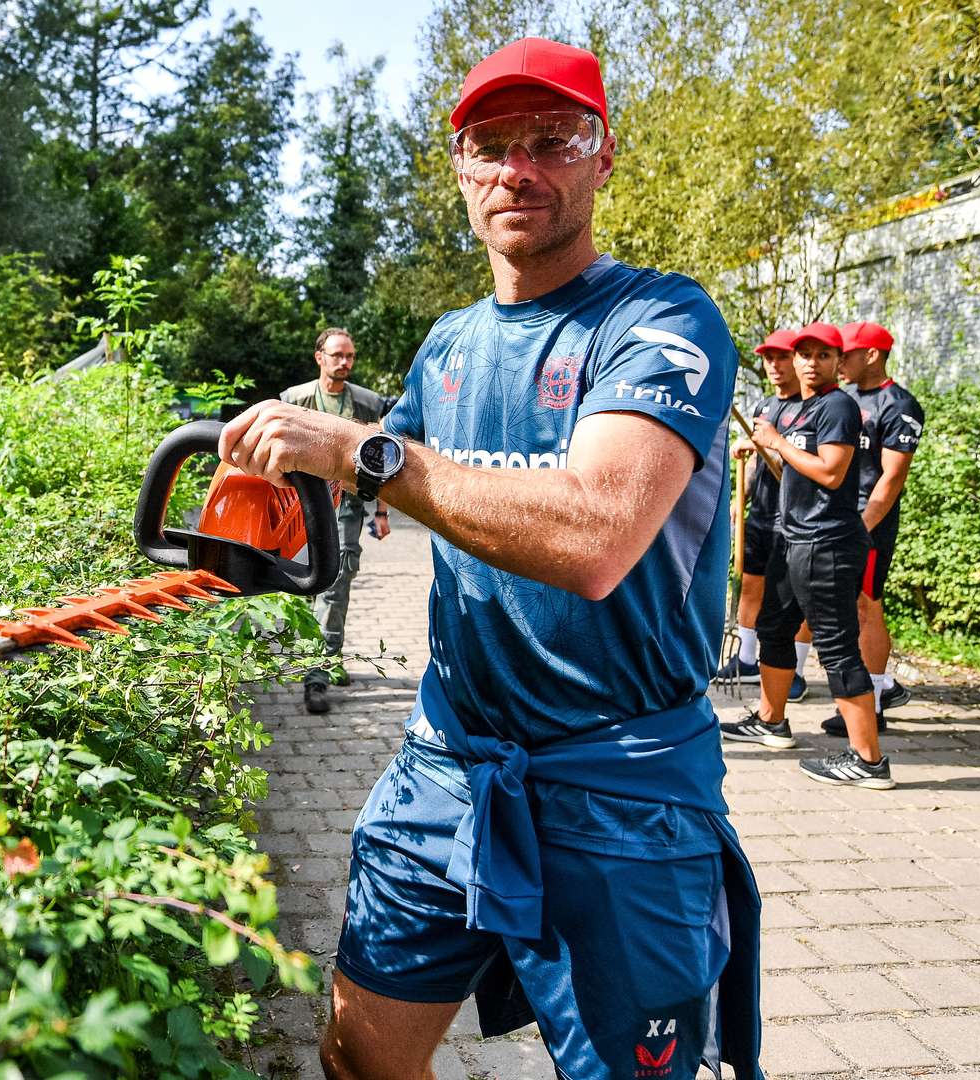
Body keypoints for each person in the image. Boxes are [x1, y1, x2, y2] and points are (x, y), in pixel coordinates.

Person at [215, 37, 760, 1080]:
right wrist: (266, 502)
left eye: (554, 139)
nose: (520, 167)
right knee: (355, 1053)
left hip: (622, 784)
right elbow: (392, 479)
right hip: (448, 760)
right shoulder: (449, 344)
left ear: (603, 159)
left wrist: (362, 453)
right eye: (491, 144)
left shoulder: (660, 320)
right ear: (460, 170)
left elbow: (596, 535)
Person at [722, 323, 891, 788]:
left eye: (822, 355)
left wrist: (774, 442)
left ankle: (868, 760)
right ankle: (772, 721)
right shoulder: (798, 409)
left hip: (828, 541)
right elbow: (788, 468)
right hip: (793, 538)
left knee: (836, 645)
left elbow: (833, 474)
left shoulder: (838, 406)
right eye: (804, 354)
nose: (810, 363)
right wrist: (765, 446)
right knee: (775, 627)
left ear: (838, 362)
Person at [280, 328, 393, 714]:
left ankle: (318, 674)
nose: (344, 362)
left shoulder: (366, 402)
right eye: (337, 355)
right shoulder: (294, 400)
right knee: (308, 588)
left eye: (350, 356)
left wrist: (381, 511)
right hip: (298, 510)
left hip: (346, 508)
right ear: (320, 358)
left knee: (335, 584)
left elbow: (379, 460)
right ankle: (325, 657)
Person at [819, 320, 923, 737]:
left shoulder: (898, 405)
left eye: (847, 354)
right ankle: (871, 693)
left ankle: (875, 704)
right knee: (841, 610)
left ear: (873, 355)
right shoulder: (844, 400)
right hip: (837, 520)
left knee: (866, 607)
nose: (839, 361)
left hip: (867, 526)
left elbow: (892, 478)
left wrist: (861, 527)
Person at [717, 329, 811, 702]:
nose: (773, 365)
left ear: (795, 360)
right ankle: (746, 658)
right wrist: (742, 497)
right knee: (751, 584)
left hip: (797, 519)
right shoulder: (763, 408)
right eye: (768, 358)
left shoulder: (811, 409)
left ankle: (798, 671)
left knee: (797, 599)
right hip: (763, 514)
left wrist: (774, 446)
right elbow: (758, 461)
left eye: (781, 357)